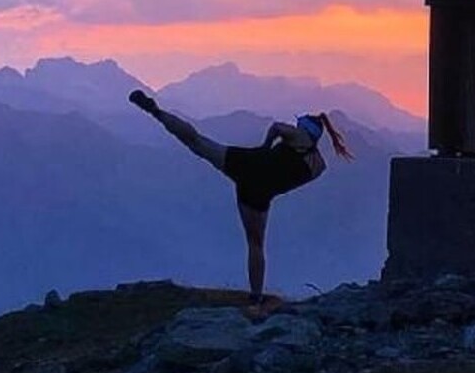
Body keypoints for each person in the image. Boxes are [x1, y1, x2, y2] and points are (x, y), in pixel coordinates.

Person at [128, 88, 351, 307]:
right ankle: (256, 296)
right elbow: (292, 178)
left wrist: (265, 147)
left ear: (304, 128)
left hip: (245, 163)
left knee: (197, 141)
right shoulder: (318, 166)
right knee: (256, 244)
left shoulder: (299, 136)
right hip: (259, 195)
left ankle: (156, 112)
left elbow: (277, 127)